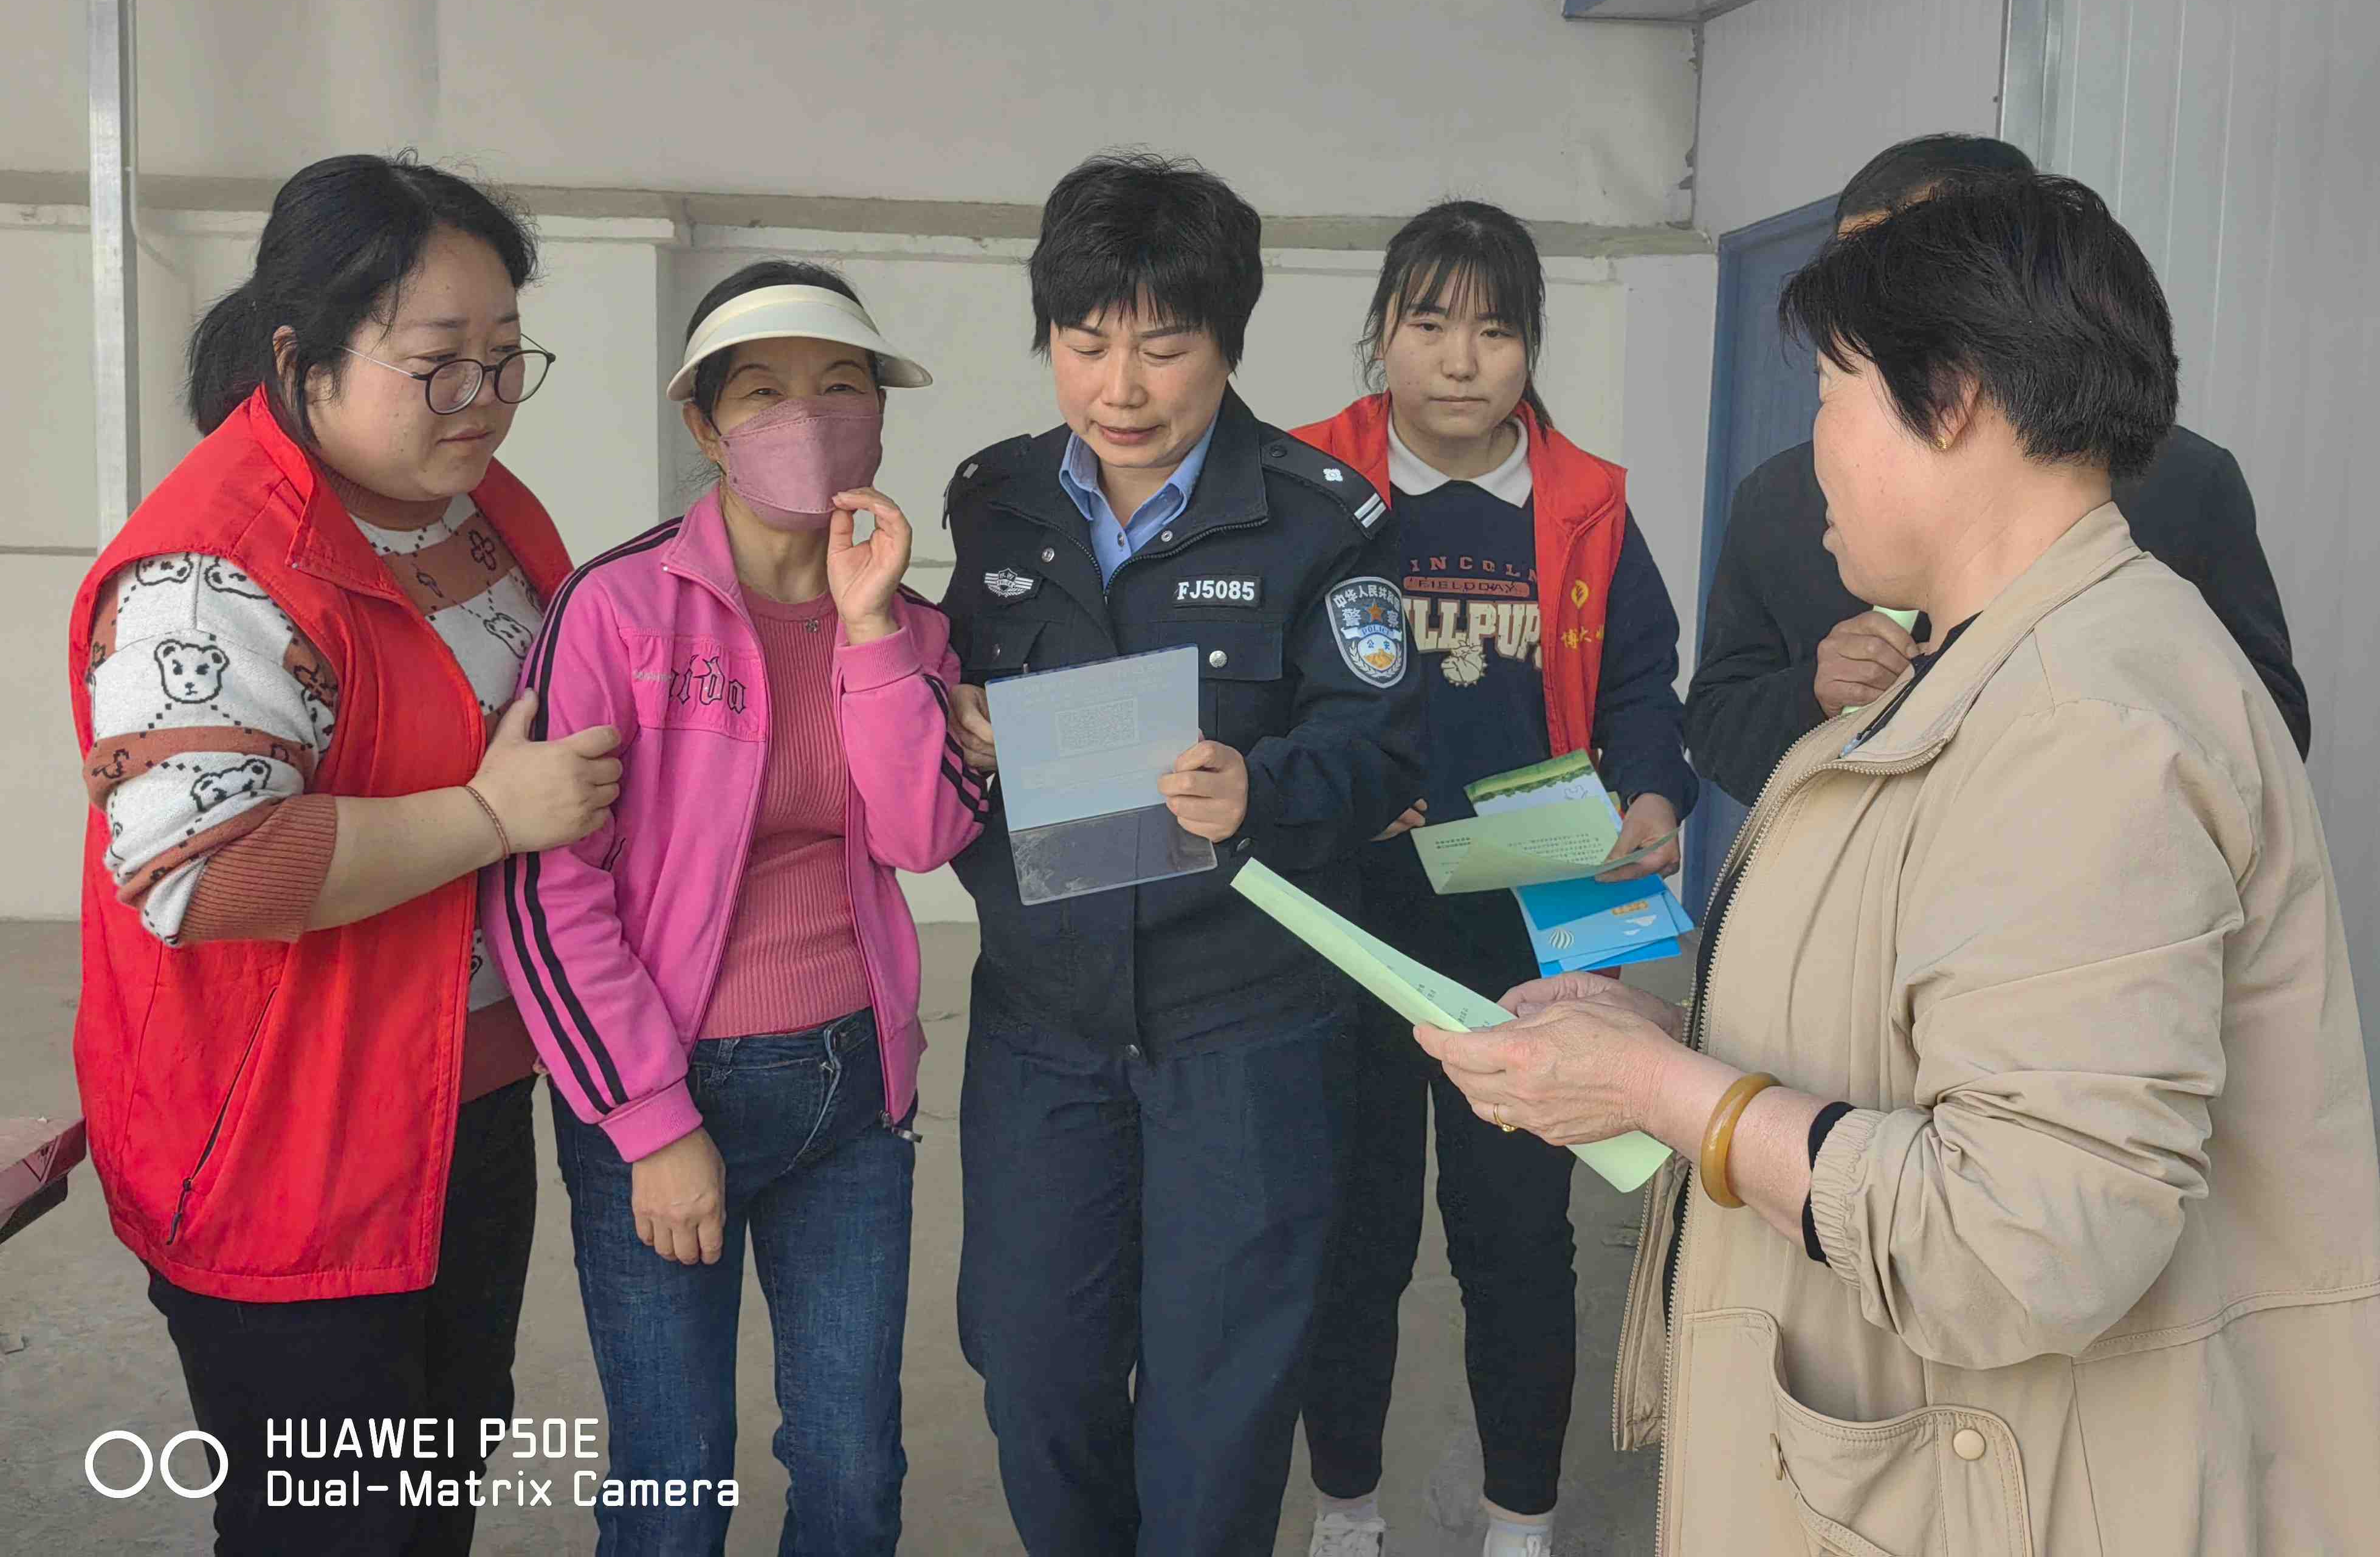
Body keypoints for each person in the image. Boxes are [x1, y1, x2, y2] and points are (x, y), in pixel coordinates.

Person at [1418, 176, 2380, 1556]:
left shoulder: (2082, 725)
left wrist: (1658, 1092)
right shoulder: (1997, 664)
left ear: (1952, 402)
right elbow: (1941, 1027)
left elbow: (2027, 1239)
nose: (1810, 451)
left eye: (1830, 395)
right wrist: (1669, 1038)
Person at [67, 154, 620, 1553]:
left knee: (435, 1473)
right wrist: (492, 815)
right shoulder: (212, 571)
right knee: (329, 1517)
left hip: (462, 1090)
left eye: (506, 355)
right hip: (287, 1136)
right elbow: (202, 870)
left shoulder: (476, 505)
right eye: (438, 363)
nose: (483, 395)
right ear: (299, 357)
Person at [938, 151, 1421, 1557]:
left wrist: (1262, 787)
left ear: (1228, 340)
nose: (1121, 387)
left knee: (1220, 1409)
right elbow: (944, 693)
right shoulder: (996, 501)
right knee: (1034, 1378)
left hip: (1246, 1028)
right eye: (1085, 343)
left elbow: (1385, 747)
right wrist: (951, 720)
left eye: (1163, 346)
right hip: (1042, 1024)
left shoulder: (1323, 519)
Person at [489, 261, 982, 1555]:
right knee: (674, 1467)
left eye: (840, 387)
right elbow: (545, 892)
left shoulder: (915, 626)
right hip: (665, 1088)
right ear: (705, 428)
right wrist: (652, 1125)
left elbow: (924, 835)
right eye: (763, 394)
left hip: (853, 1092)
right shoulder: (618, 609)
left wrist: (870, 632)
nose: (805, 419)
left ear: (880, 416)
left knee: (852, 1466)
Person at [1289, 202, 1696, 1557]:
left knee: (1516, 1241)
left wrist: (1655, 792)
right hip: (1351, 923)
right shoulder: (1305, 482)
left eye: (1496, 329)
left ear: (1531, 346)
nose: (1461, 360)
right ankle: (1347, 1512)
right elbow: (1255, 680)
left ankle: (1520, 1523)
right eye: (1428, 323)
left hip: (1529, 928)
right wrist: (1330, 779)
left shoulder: (1586, 504)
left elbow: (1641, 683)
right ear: (1382, 332)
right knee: (1351, 1238)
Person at [1684, 133, 2309, 808]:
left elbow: (2262, 729)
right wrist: (1811, 693)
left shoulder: (2182, 486)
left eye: (1908, 264)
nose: (1875, 304)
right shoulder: (1779, 498)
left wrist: (2081, 708)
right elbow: (1715, 727)